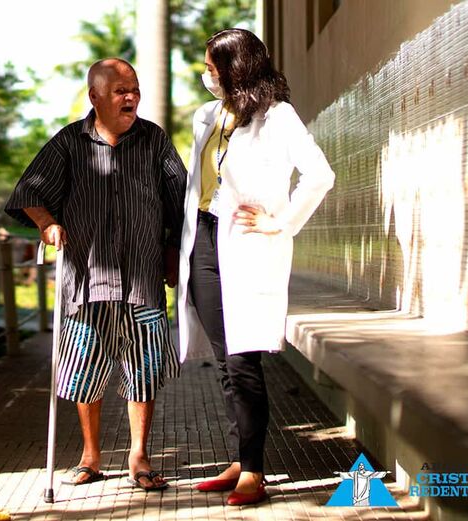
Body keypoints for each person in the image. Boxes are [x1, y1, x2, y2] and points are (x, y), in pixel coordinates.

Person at [5, 58, 186, 491]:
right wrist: (47, 222)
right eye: (121, 90)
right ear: (95, 97)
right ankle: (90, 455)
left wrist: (174, 250)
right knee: (85, 367)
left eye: (135, 89)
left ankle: (139, 456)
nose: (131, 97)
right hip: (86, 280)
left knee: (143, 368)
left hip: (142, 277)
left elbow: (180, 196)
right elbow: (29, 189)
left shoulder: (154, 140)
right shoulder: (70, 142)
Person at [177, 29, 335, 506]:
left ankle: (254, 470)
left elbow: (320, 175)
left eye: (211, 67)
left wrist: (280, 223)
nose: (206, 75)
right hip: (203, 240)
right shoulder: (207, 115)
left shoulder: (278, 117)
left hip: (246, 243)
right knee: (226, 358)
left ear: (234, 67)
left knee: (243, 359)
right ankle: (240, 457)